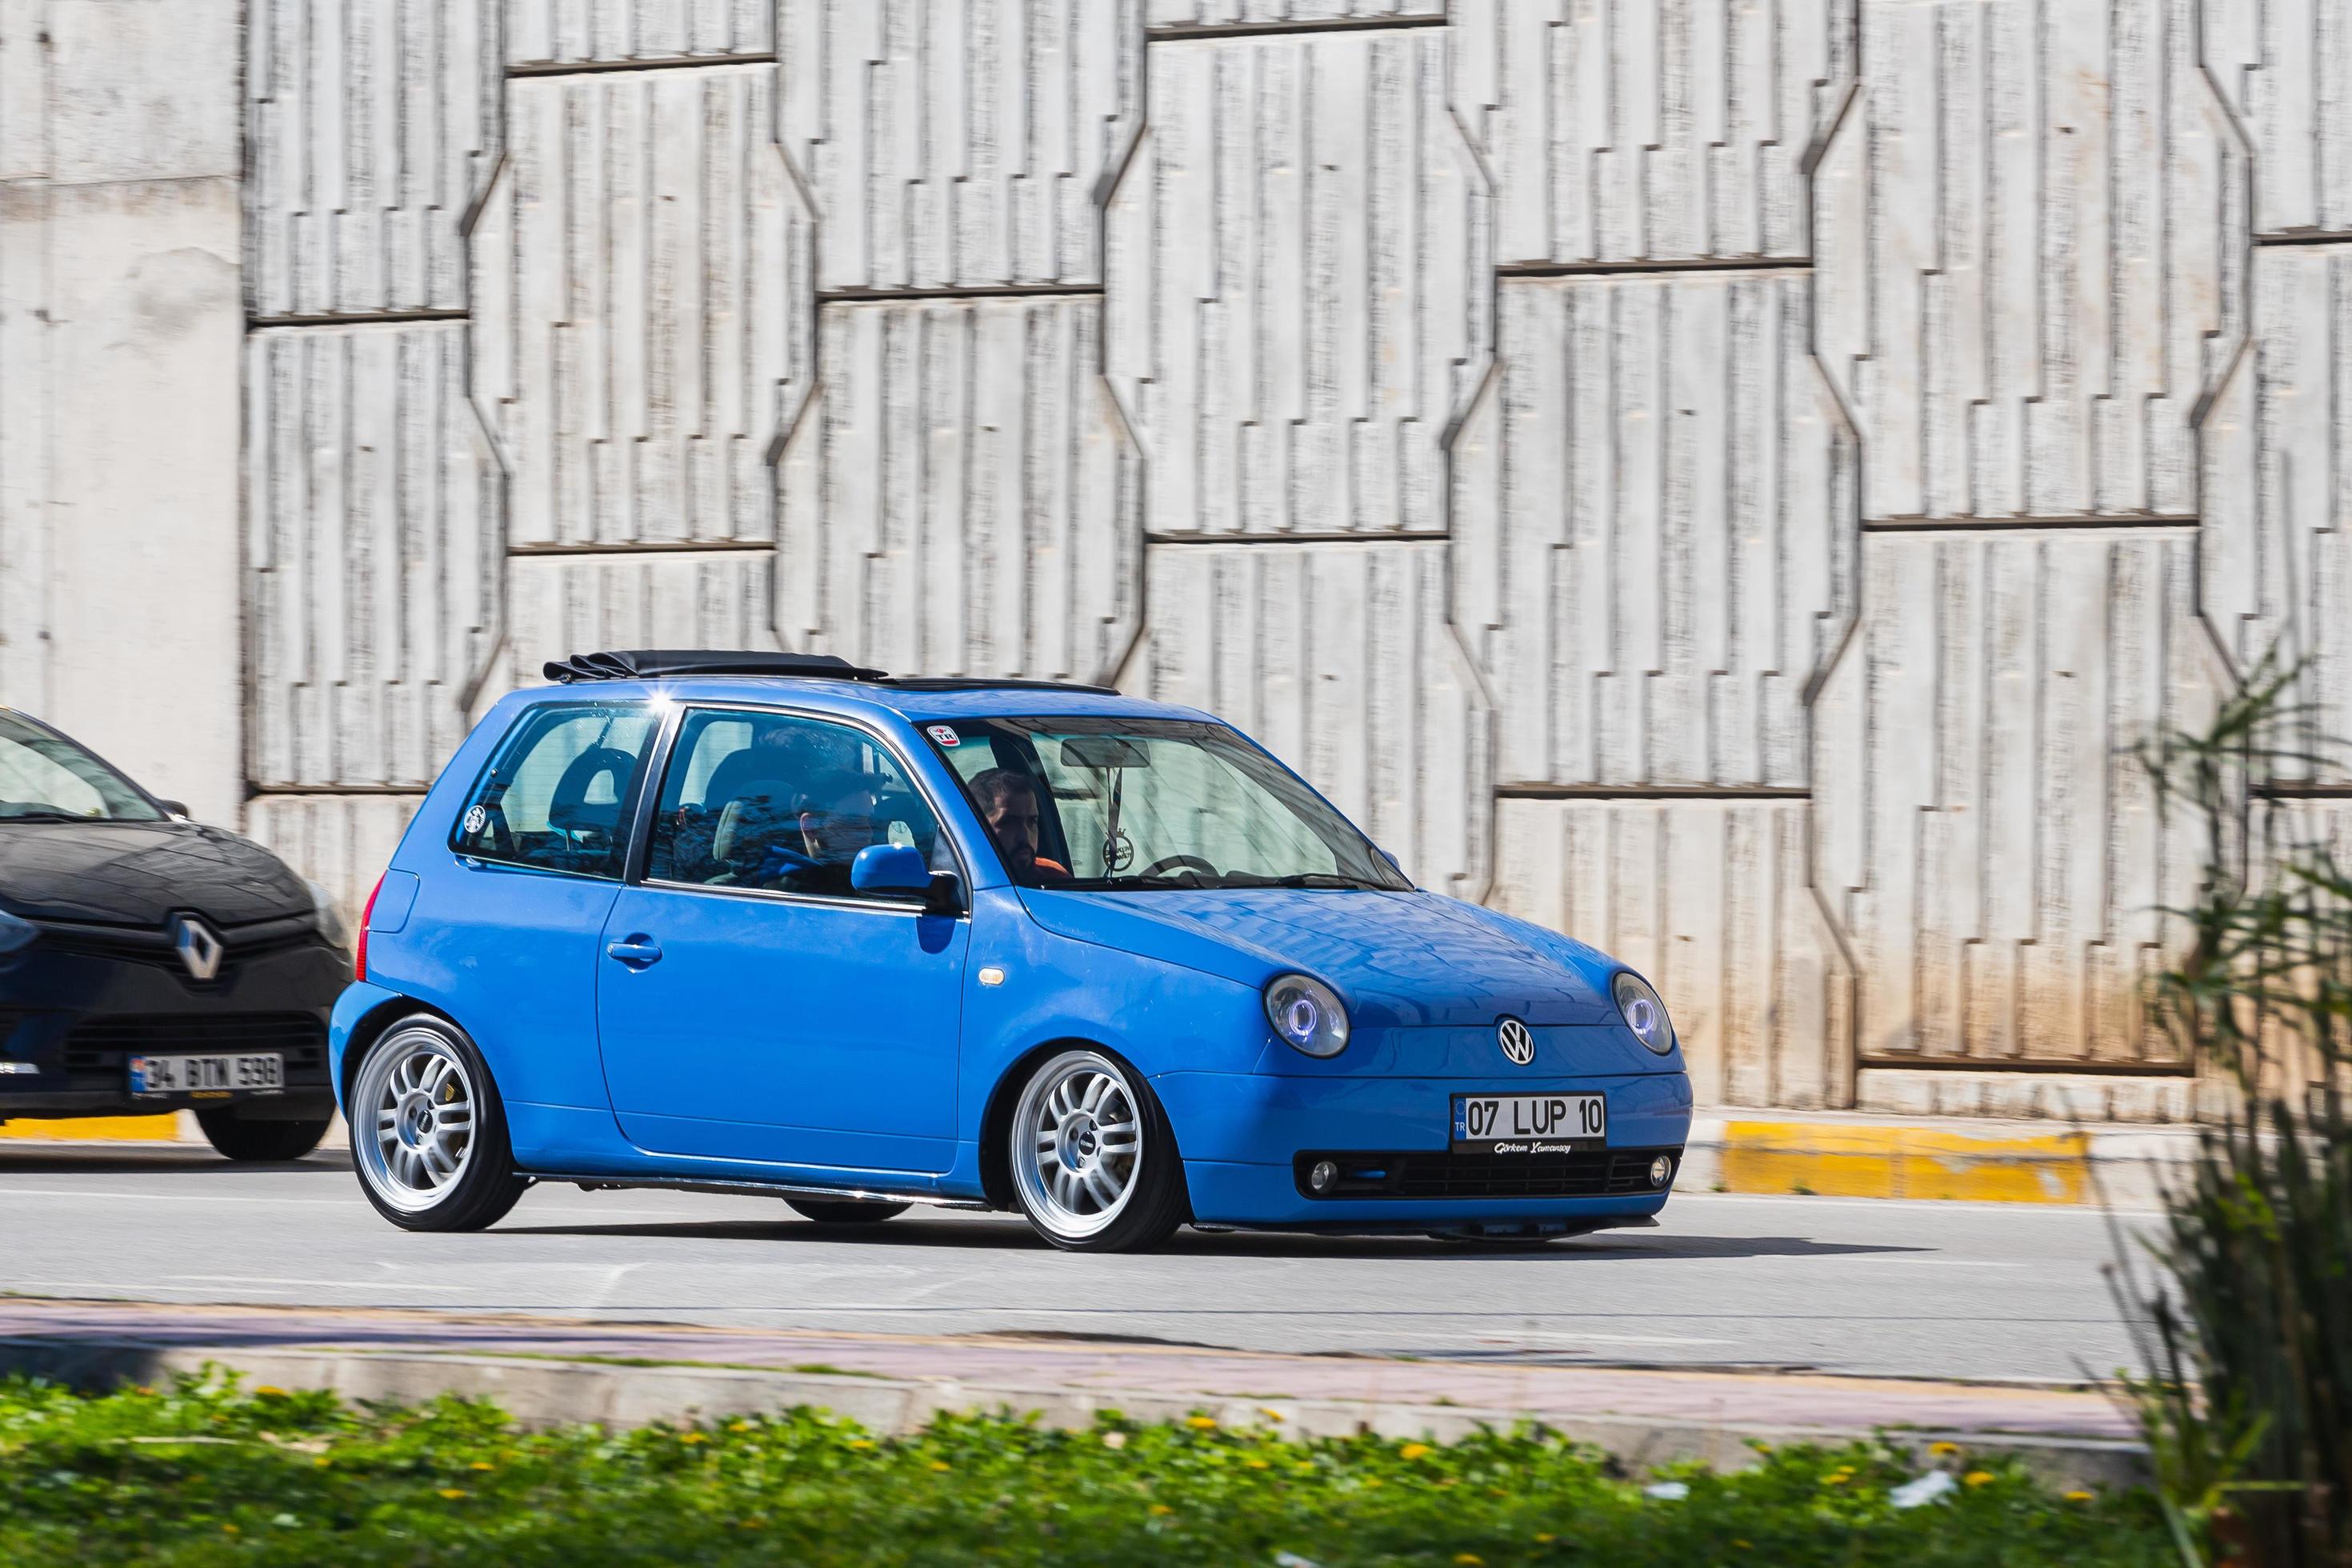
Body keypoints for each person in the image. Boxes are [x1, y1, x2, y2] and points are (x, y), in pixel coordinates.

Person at [968, 768, 1069, 882]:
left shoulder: (1054, 875)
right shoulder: (958, 885)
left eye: (1032, 822)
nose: (1025, 837)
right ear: (976, 826)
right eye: (1009, 824)